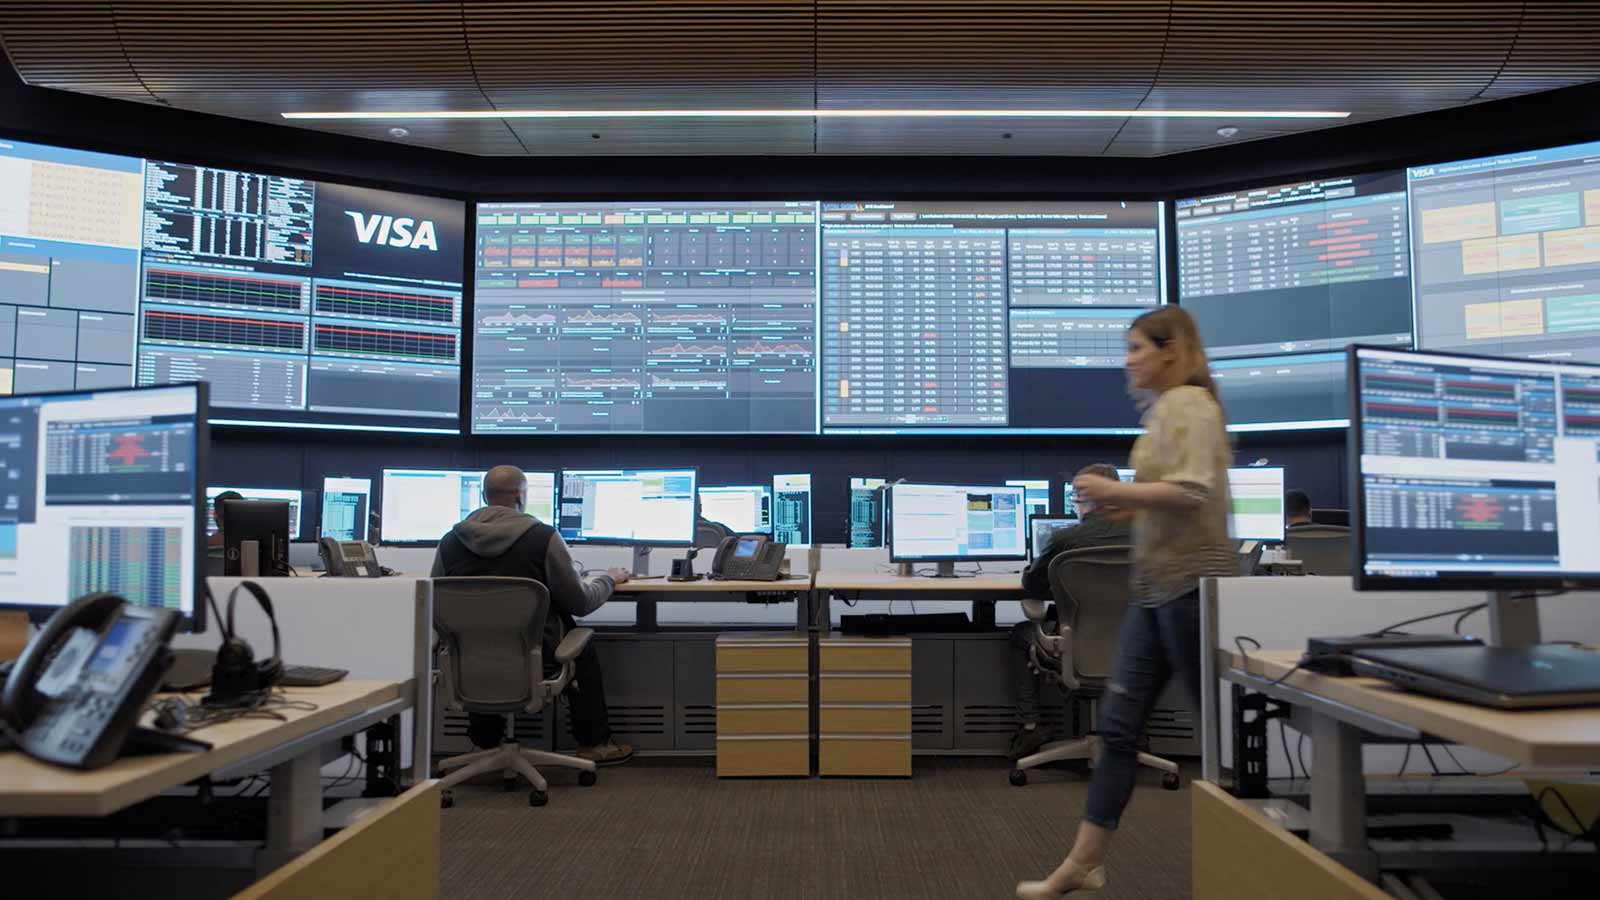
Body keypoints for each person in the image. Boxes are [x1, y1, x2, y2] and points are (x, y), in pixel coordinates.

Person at [1017, 307, 1235, 899]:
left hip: (1190, 587)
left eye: (1137, 347)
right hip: (1152, 587)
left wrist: (1114, 490)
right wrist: (1129, 507)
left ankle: (1263, 858)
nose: (1128, 359)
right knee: (1116, 730)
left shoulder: (1192, 405)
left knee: (1223, 735)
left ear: (1171, 350)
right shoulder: (1165, 413)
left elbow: (1193, 492)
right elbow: (1166, 500)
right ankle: (1083, 863)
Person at [431, 465, 636, 766]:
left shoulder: (450, 542)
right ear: (519, 495)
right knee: (581, 642)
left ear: (485, 496)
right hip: (539, 657)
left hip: (470, 662)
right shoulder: (542, 538)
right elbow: (581, 602)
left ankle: (485, 743)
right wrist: (609, 578)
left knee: (478, 633)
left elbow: (435, 601)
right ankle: (594, 743)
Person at [1007, 463, 1132, 760]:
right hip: (1133, 648)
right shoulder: (1148, 537)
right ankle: (1137, 731)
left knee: (1019, 634)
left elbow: (1032, 585)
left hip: (1075, 647)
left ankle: (1030, 726)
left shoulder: (1066, 539)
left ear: (1083, 499)